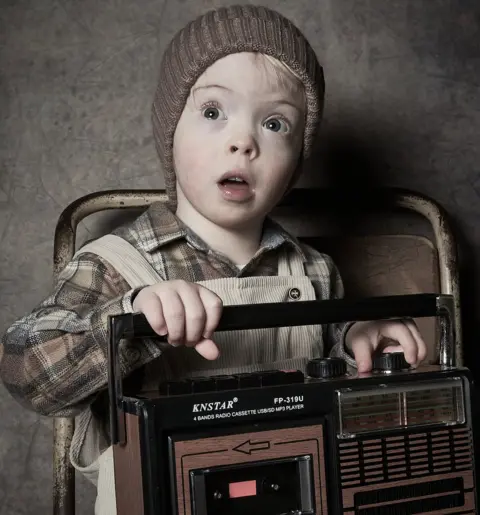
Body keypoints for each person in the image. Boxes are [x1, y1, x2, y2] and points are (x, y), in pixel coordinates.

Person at [0, 5, 426, 513]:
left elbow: (328, 353)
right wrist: (132, 318)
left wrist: (357, 337)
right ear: (169, 134)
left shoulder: (312, 270)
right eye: (212, 112)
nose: (242, 141)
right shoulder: (115, 263)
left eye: (274, 123)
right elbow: (25, 368)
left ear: (296, 161)